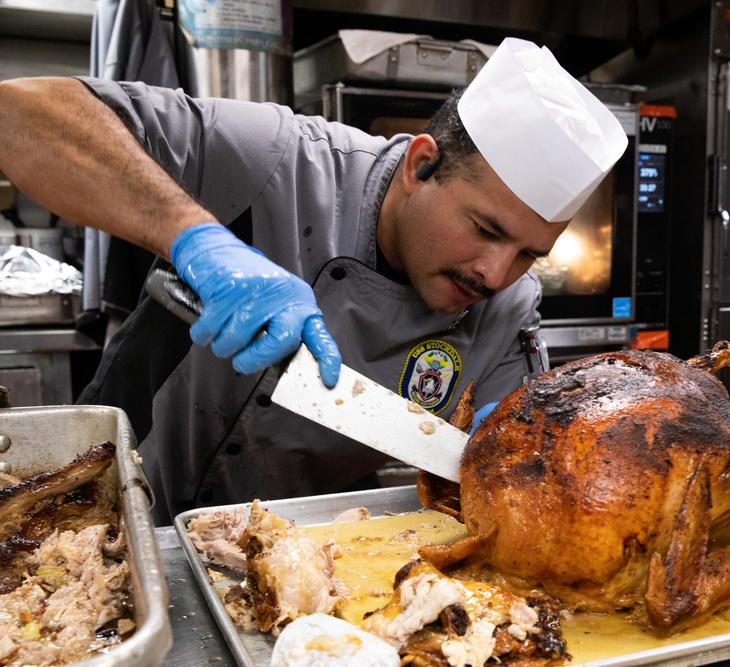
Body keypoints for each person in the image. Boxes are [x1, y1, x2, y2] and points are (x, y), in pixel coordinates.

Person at [0, 37, 626, 524]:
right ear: (421, 164)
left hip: (299, 553)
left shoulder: (510, 305)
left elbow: (505, 462)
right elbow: (19, 115)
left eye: (527, 254)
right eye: (486, 230)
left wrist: (513, 445)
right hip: (113, 508)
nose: (496, 274)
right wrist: (197, 237)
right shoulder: (276, 160)